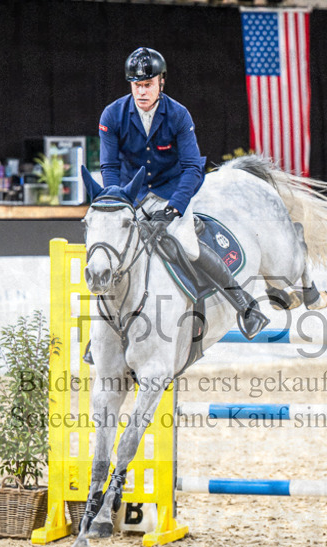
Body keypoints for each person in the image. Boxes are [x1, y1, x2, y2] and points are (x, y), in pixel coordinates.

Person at [98, 47, 268, 340]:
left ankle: (246, 307)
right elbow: (109, 166)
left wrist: (175, 207)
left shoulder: (178, 114)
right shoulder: (112, 115)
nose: (141, 92)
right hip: (132, 195)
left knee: (188, 245)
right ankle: (104, 334)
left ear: (161, 82)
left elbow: (192, 168)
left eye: (148, 84)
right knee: (114, 251)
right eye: (136, 85)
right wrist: (119, 200)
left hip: (170, 191)